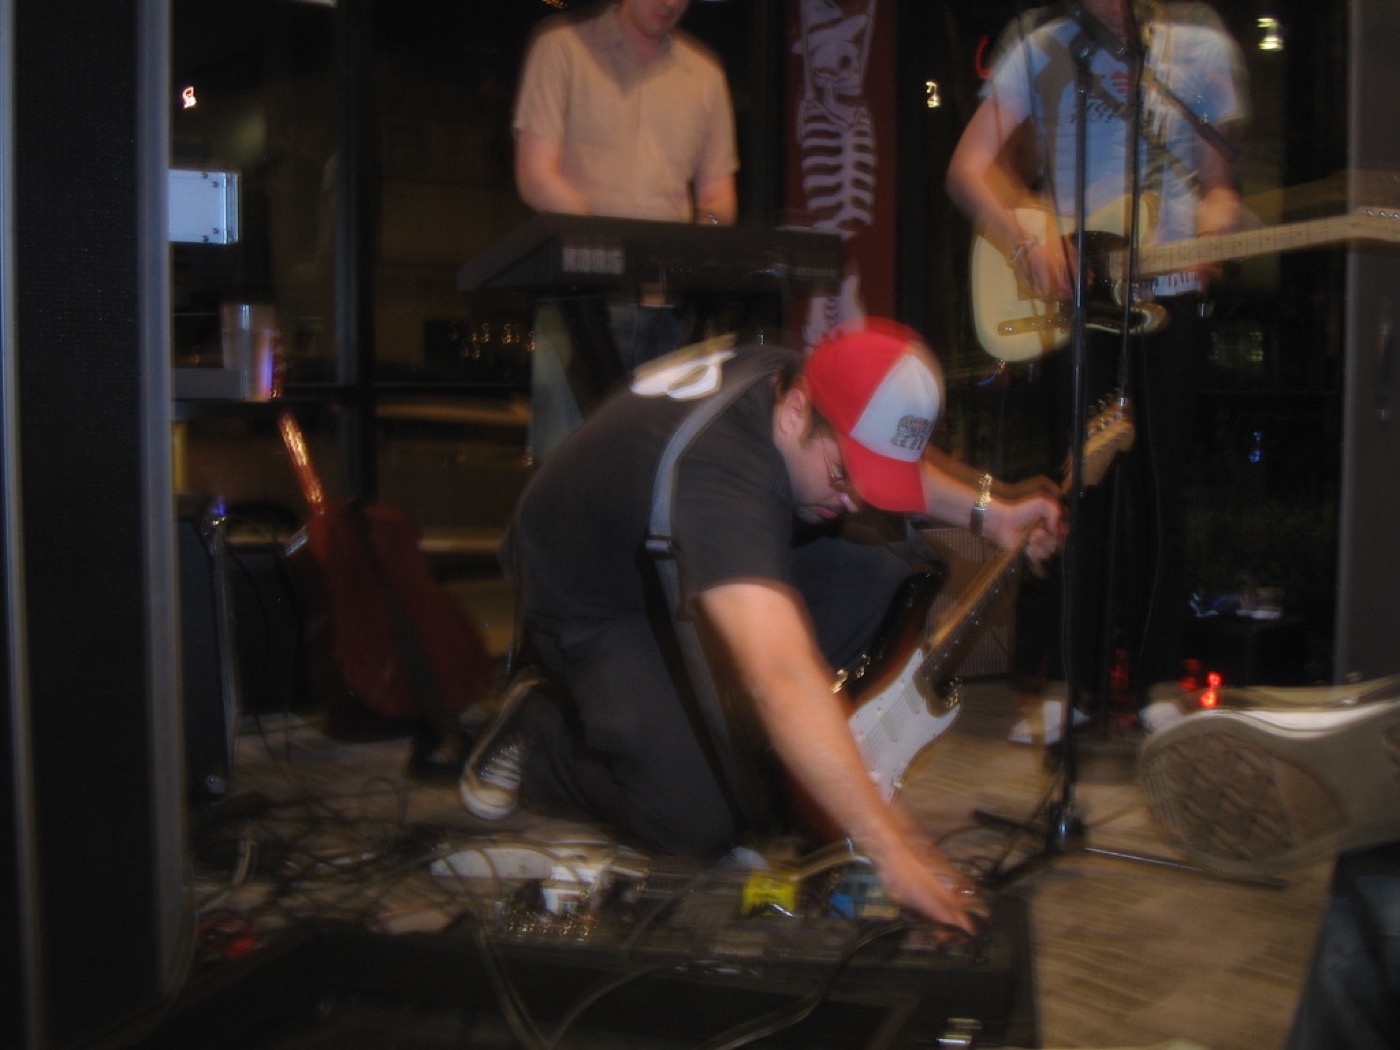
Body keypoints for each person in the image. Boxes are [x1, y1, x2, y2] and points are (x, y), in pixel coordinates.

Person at [460, 320, 1063, 932]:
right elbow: (780, 675)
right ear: (796, 411)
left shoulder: (798, 389)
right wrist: (893, 849)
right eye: (842, 475)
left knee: (883, 567)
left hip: (671, 540)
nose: (855, 498)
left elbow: (873, 456)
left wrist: (993, 514)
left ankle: (771, 747)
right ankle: (539, 731)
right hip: (596, 588)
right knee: (695, 824)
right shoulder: (722, 476)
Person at [945, 0, 1249, 736]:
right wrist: (1024, 230)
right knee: (1079, 486)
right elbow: (967, 169)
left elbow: (1218, 185)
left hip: (1169, 294)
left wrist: (1217, 218)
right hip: (1080, 295)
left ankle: (1157, 681)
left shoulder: (1200, 49)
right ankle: (1069, 681)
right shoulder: (1044, 46)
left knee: (1160, 493)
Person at [512, 0, 740, 457]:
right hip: (580, 299)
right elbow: (536, 176)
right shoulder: (562, 49)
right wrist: (611, 252)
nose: (671, 3)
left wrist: (702, 234)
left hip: (672, 307)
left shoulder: (704, 74)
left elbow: (719, 195)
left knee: (662, 464)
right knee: (569, 462)